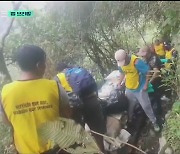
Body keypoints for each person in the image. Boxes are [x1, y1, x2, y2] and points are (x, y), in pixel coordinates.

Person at [0, 45, 73, 154]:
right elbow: (67, 115)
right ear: (39, 65)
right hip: (58, 149)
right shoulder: (54, 86)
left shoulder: (5, 92)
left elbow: (6, 121)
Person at [54, 62, 106, 152]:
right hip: (91, 101)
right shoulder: (79, 70)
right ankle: (102, 151)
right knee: (97, 132)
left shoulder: (57, 78)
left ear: (59, 70)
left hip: (74, 108)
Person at [114, 49, 160, 132]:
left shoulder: (136, 62)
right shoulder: (121, 64)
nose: (122, 64)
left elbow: (148, 72)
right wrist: (119, 82)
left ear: (127, 56)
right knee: (129, 106)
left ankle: (154, 122)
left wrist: (146, 84)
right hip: (129, 88)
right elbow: (122, 73)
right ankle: (130, 120)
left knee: (146, 106)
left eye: (123, 61)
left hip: (140, 88)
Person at [137, 46, 164, 116]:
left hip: (157, 79)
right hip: (149, 78)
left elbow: (156, 72)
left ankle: (159, 114)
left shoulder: (153, 58)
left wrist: (149, 82)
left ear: (148, 53)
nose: (142, 57)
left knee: (156, 97)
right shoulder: (146, 58)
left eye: (143, 55)